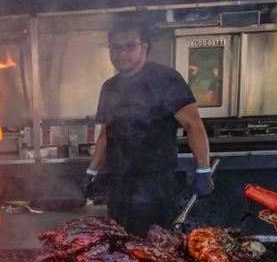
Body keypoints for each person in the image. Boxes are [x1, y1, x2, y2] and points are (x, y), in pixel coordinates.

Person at [81, 20, 214, 237]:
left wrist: (203, 170)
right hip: (120, 185)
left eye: (129, 46)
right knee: (120, 245)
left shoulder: (166, 79)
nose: (121, 53)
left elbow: (194, 125)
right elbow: (106, 134)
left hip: (157, 186)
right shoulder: (109, 88)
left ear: (144, 47)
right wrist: (91, 171)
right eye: (115, 47)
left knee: (157, 248)